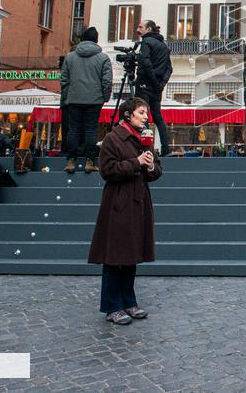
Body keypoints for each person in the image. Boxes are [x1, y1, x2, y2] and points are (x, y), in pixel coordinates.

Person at [87, 97, 162, 324]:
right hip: (119, 203)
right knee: (114, 256)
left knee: (130, 255)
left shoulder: (145, 139)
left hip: (138, 201)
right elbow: (107, 170)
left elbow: (157, 170)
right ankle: (112, 306)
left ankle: (129, 301)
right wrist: (136, 162)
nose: (146, 117)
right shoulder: (113, 138)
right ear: (128, 114)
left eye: (146, 113)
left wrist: (150, 166)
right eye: (141, 113)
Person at [61, 26, 112, 173]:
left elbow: (64, 79)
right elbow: (107, 81)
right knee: (91, 130)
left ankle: (70, 161)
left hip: (74, 98)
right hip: (94, 99)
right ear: (96, 40)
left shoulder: (70, 57)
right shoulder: (103, 58)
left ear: (82, 39)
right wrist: (105, 97)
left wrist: (67, 96)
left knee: (73, 129)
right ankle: (90, 161)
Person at [135, 19, 173, 157]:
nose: (138, 29)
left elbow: (145, 63)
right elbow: (169, 68)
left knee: (142, 116)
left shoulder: (146, 42)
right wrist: (161, 84)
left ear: (148, 29)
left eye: (141, 27)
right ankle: (165, 148)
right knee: (158, 117)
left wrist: (152, 82)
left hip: (145, 84)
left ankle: (147, 149)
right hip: (157, 88)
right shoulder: (163, 46)